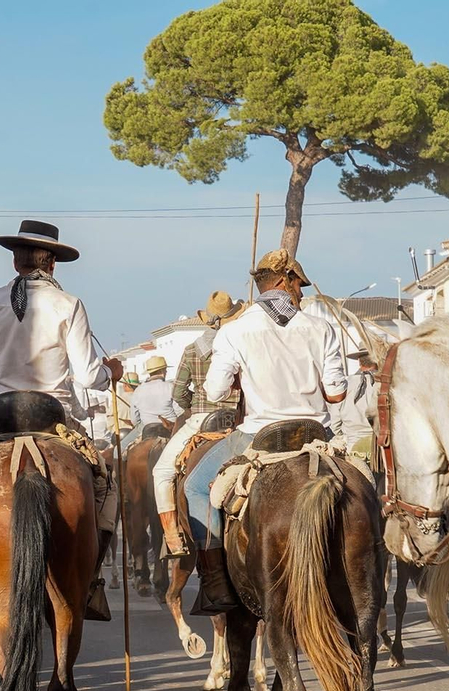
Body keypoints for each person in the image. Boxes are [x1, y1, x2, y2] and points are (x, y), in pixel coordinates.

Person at [0, 219, 123, 619]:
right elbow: (88, 376)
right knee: (104, 486)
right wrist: (110, 375)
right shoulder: (69, 304)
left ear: (16, 261)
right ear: (51, 263)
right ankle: (89, 580)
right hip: (53, 418)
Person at [184, 250, 347, 614]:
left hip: (259, 436)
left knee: (194, 487)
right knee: (365, 483)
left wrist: (243, 376)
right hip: (316, 435)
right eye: (299, 285)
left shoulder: (234, 331)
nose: (302, 294)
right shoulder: (321, 328)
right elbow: (336, 393)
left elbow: (214, 392)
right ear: (283, 282)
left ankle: (215, 582)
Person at [155, 291, 244, 555]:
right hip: (239, 423)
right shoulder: (240, 345)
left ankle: (173, 538)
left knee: (161, 473)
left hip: (202, 420)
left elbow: (179, 392)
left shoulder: (193, 350)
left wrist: (195, 406)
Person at [125, 355, 177, 452]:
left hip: (146, 431)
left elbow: (135, 420)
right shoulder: (171, 387)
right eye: (165, 370)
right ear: (162, 371)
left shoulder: (138, 391)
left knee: (119, 452)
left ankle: (118, 466)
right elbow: (179, 412)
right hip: (170, 431)